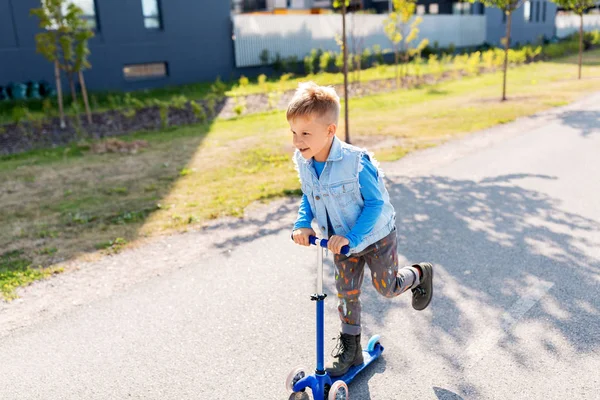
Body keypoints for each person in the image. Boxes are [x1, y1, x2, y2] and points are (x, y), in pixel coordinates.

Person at [289, 81, 434, 377]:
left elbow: (376, 204)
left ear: (330, 131)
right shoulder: (304, 160)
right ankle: (351, 349)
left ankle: (420, 273)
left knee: (387, 288)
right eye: (293, 132)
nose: (297, 140)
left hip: (375, 236)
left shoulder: (356, 162)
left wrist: (352, 237)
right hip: (340, 243)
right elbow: (309, 194)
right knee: (346, 292)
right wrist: (303, 223)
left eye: (305, 133)